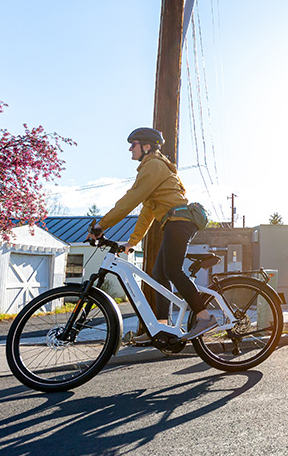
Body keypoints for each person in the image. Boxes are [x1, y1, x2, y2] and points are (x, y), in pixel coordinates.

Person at [87, 127, 214, 344]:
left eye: (133, 144)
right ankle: (162, 328)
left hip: (179, 223)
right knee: (159, 274)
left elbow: (131, 199)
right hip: (174, 224)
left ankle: (205, 317)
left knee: (172, 271)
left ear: (146, 146)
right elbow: (146, 212)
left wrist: (102, 225)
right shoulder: (151, 169)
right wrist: (132, 242)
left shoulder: (154, 166)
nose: (130, 149)